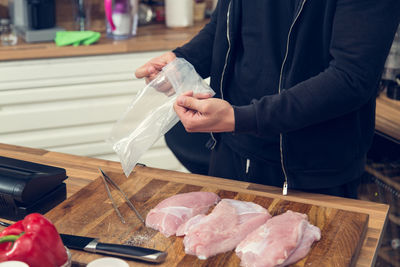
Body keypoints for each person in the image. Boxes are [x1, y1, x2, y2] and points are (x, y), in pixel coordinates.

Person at [135, 0, 400, 198]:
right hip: (230, 151)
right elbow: (224, 25)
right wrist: (182, 62)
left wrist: (241, 118)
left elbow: (351, 78)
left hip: (311, 172)